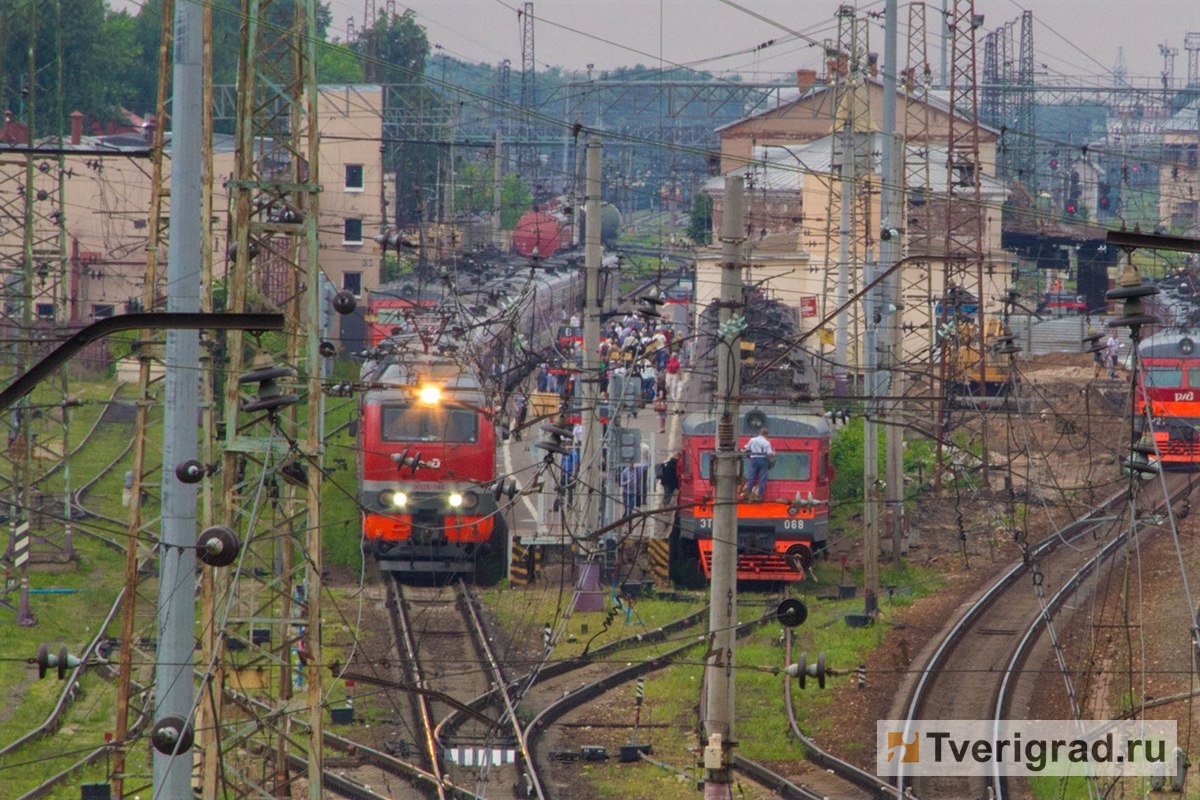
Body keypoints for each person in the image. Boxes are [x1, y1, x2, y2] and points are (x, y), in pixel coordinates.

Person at [742, 427, 774, 501]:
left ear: (760, 433)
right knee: (762, 478)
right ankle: (759, 495)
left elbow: (746, 448)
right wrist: (773, 454)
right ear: (766, 434)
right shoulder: (767, 442)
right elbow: (769, 454)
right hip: (763, 460)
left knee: (751, 476)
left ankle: (747, 493)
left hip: (754, 459)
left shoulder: (752, 440)